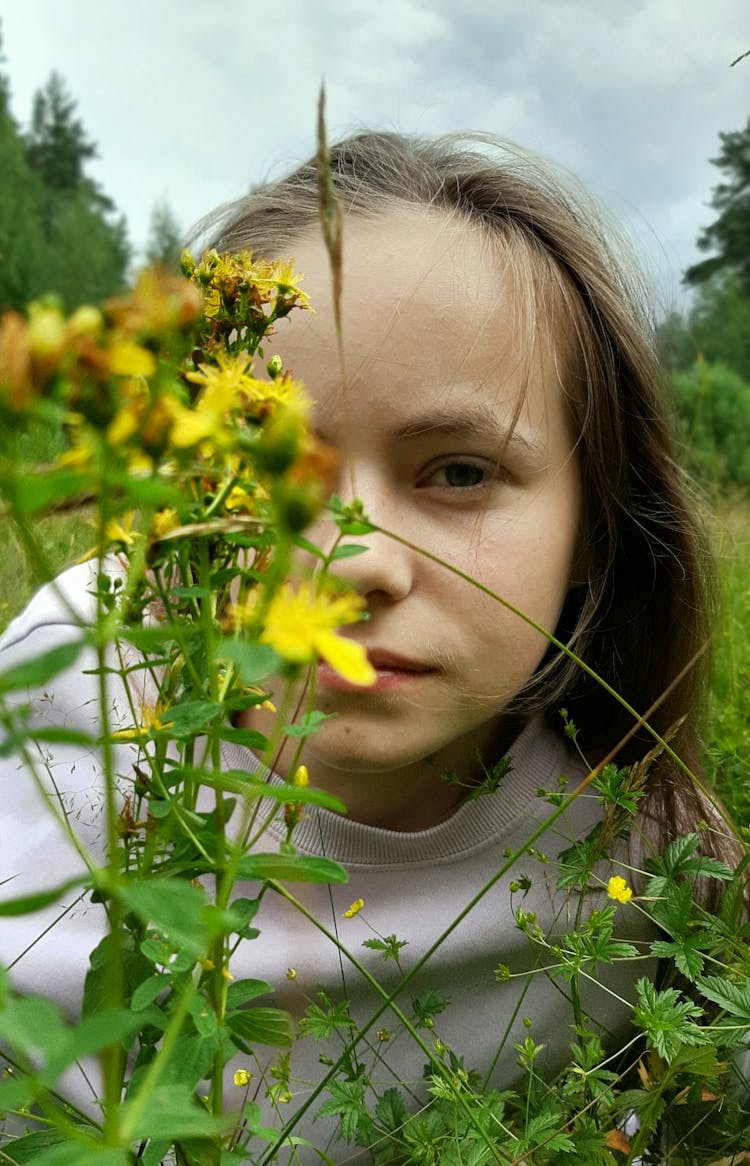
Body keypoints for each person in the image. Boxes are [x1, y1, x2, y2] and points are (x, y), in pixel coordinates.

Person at [0, 131, 740, 1162]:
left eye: (459, 472)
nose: (352, 563)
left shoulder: (657, 865)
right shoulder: (60, 677)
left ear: (598, 529)